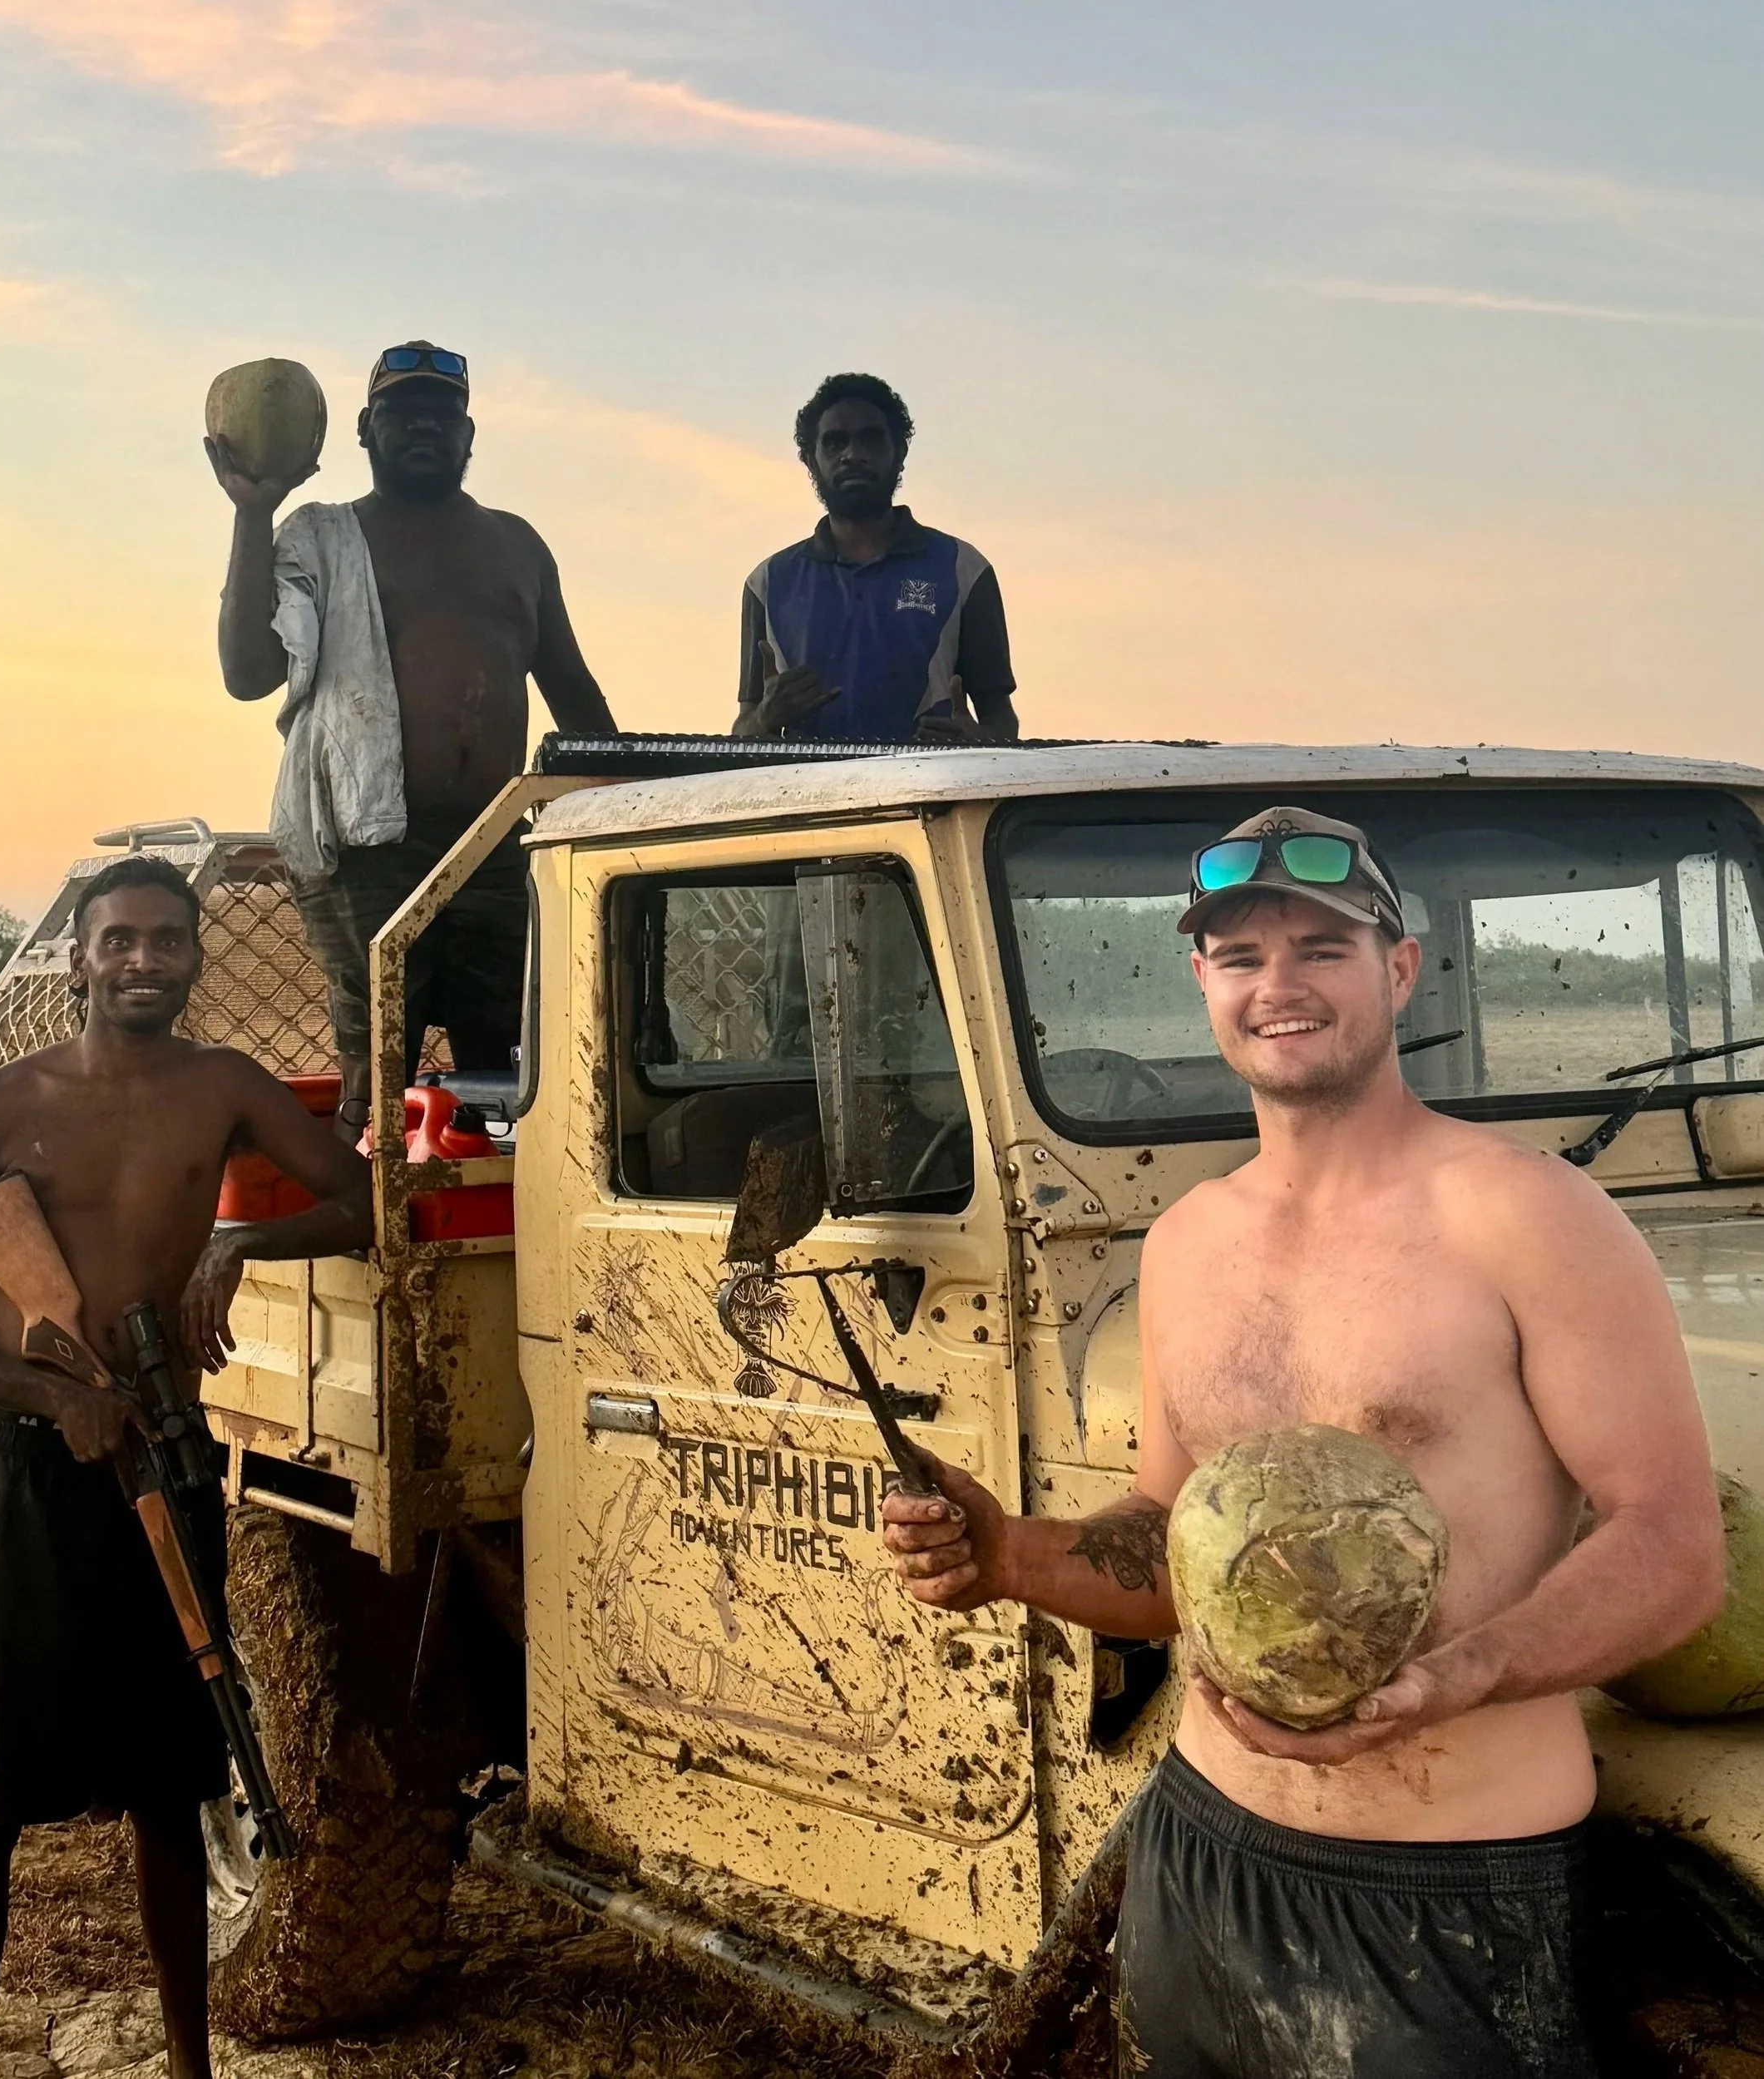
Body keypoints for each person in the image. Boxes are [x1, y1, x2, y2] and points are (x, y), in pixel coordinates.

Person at [882, 805, 1725, 2077]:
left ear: (1398, 967)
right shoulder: (1186, 1243)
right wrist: (1005, 1551)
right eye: (1241, 955)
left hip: (1447, 1893)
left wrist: (1456, 1677)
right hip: (1204, 1855)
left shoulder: (1528, 1216)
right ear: (1202, 984)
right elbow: (1170, 1545)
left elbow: (1674, 1546)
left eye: (1322, 948)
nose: (1279, 984)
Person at [0, 855, 374, 2079]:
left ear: (196, 959)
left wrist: (242, 1241)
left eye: (166, 941)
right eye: (120, 941)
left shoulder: (226, 1088)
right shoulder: (0, 1106)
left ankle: (189, 2065)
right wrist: (48, 1394)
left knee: (169, 1782)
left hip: (166, 1454)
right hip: (34, 1480)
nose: (143, 960)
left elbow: (360, 1202)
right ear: (81, 959)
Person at [208, 341, 619, 1137]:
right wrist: (252, 510)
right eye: (402, 413)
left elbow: (571, 688)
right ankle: (372, 1236)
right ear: (364, 430)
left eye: (443, 414)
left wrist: (627, 802)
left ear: (470, 436)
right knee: (376, 1070)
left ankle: (501, 1229)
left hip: (494, 843)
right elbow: (247, 671)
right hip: (368, 847)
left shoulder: (517, 544)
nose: (425, 427)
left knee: (508, 1067)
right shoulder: (320, 536)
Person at [733, 371, 1017, 744]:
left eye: (871, 438)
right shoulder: (767, 583)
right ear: (810, 460)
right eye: (835, 443)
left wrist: (980, 745)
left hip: (929, 798)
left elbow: (1001, 720)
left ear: (899, 452)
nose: (852, 455)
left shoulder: (964, 569)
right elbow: (742, 728)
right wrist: (765, 718)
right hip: (811, 797)